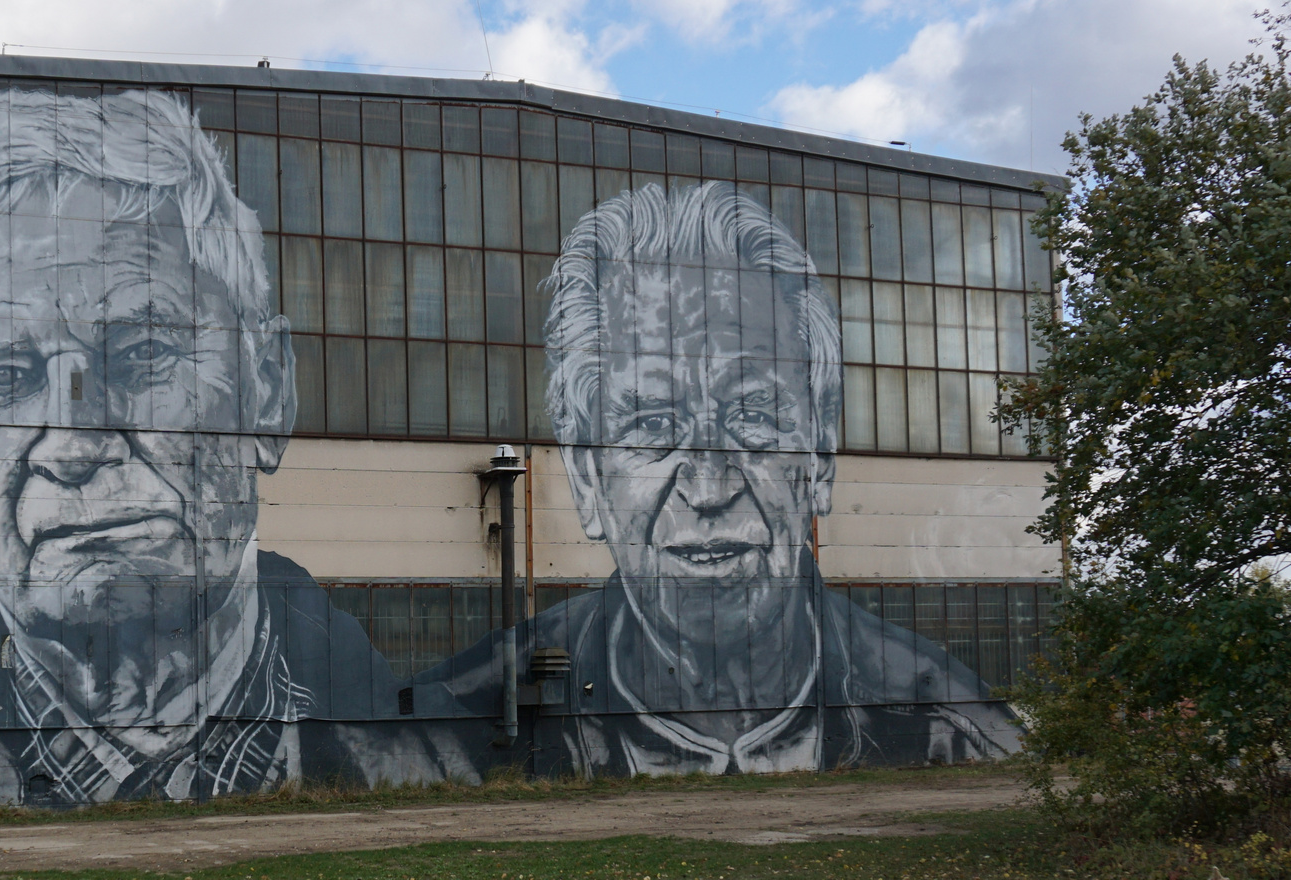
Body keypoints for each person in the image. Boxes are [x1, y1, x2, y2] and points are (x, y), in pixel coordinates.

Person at [0, 89, 457, 811]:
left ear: (267, 389)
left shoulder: (434, 757)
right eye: (1, 376)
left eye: (143, 352)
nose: (73, 446)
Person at [409, 181, 1016, 776]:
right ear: (588, 478)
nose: (708, 487)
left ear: (821, 457)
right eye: (651, 422)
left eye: (753, 416)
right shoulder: (447, 738)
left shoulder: (952, 728)